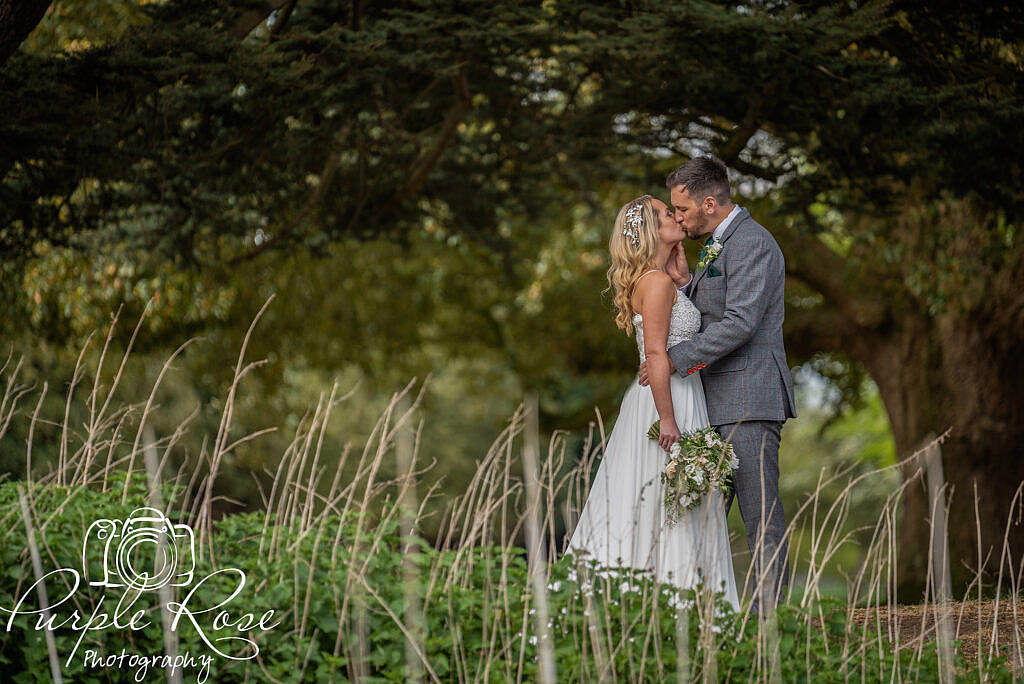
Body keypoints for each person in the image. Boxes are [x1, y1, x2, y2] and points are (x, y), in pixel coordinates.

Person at [566, 194, 739, 610]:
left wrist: (683, 282)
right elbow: (658, 355)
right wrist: (668, 421)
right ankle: (680, 605)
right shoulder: (655, 283)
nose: (677, 217)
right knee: (670, 500)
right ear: (649, 229)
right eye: (667, 213)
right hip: (669, 400)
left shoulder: (660, 280)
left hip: (676, 393)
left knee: (672, 501)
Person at [638, 156, 796, 611]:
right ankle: (703, 613)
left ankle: (770, 619)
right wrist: (685, 284)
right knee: (702, 516)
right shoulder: (718, 244)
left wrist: (670, 360)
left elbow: (741, 322)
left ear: (709, 203)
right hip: (714, 401)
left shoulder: (753, 243)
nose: (678, 217)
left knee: (759, 513)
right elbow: (708, 312)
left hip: (749, 398)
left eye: (681, 208)